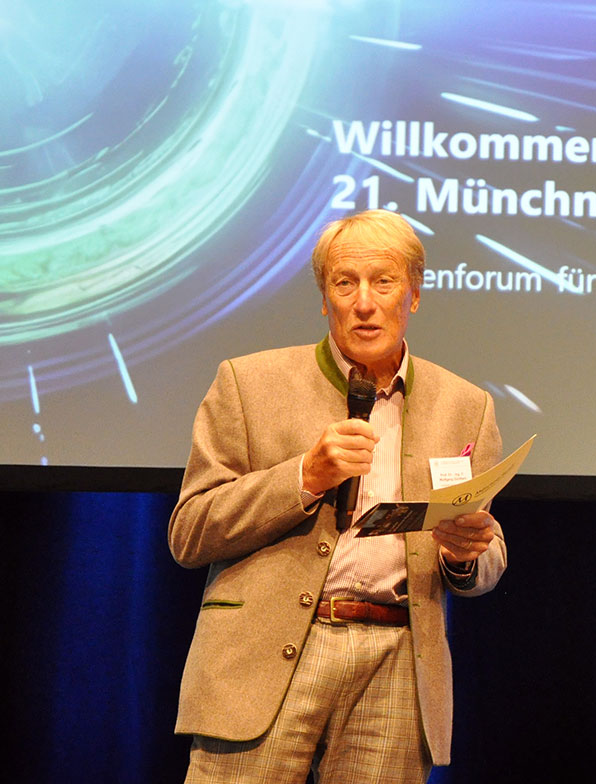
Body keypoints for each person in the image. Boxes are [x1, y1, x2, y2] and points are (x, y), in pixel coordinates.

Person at [169, 209, 506, 783]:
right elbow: (190, 532)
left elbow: (485, 549)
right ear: (325, 300)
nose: (364, 302)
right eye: (345, 283)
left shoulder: (465, 406)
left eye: (384, 281)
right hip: (265, 660)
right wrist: (305, 475)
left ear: (414, 294)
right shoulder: (248, 384)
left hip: (397, 664)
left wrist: (466, 555)